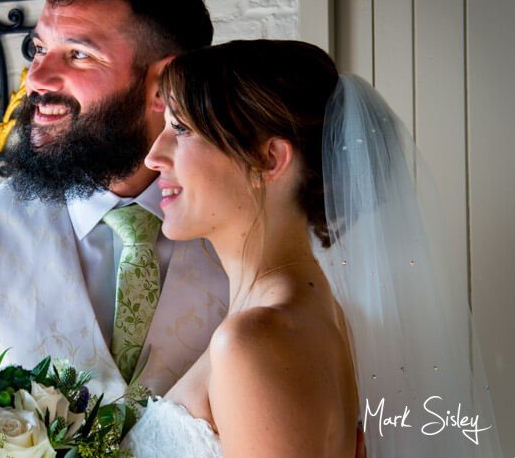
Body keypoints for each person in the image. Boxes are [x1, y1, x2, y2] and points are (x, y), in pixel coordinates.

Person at [123, 40, 502, 458]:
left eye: (181, 129)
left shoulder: (255, 340)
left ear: (269, 160)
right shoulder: (315, 314)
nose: (154, 156)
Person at [0, 0, 229, 401]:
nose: (37, 79)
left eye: (78, 55)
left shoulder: (238, 239)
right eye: (38, 50)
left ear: (164, 86)